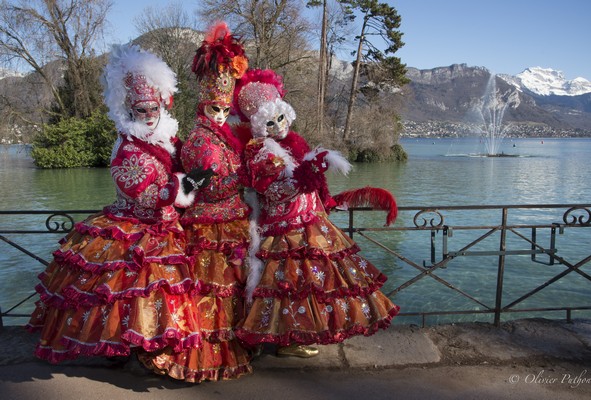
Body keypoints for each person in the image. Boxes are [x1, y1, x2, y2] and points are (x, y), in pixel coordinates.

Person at [26, 44, 206, 366]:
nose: (150, 116)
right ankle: (119, 347)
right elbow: (141, 193)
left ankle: (157, 346)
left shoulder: (168, 139)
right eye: (142, 111)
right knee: (125, 290)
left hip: (168, 223)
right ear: (129, 110)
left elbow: (185, 164)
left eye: (154, 109)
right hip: (136, 224)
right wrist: (182, 186)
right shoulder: (126, 148)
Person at [234, 69, 401, 358]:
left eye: (281, 118)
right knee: (290, 286)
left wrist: (318, 185)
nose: (278, 126)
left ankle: (305, 332)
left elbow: (308, 183)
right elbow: (275, 190)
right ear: (261, 127)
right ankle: (289, 340)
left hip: (309, 223)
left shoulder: (295, 143)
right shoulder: (259, 152)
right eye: (270, 123)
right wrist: (308, 173)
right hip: (285, 230)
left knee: (315, 283)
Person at [138, 22, 253, 382]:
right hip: (208, 227)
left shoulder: (227, 138)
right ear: (202, 109)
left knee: (233, 290)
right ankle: (204, 353)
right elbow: (195, 182)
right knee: (210, 293)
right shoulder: (199, 142)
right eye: (213, 110)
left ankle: (238, 342)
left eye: (223, 111)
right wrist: (213, 178)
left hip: (233, 221)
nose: (220, 117)